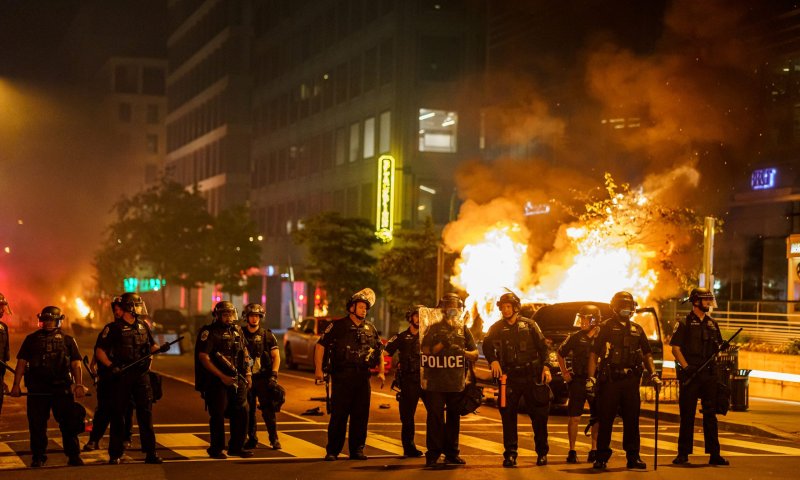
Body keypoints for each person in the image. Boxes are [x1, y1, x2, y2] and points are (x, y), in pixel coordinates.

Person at [586, 291, 661, 470]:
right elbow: (594, 354)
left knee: (632, 420)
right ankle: (601, 457)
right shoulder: (605, 327)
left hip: (630, 382)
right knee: (606, 419)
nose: (627, 310)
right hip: (610, 381)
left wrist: (654, 374)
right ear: (615, 307)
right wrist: (590, 378)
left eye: (629, 306)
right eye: (623, 306)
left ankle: (633, 457)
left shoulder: (637, 329)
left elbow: (647, 354)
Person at [10, 306, 86, 467]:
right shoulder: (31, 339)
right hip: (37, 390)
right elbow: (21, 363)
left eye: (51, 320)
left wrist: (79, 384)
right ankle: (38, 457)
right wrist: (15, 385)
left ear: (58, 320)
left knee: (68, 424)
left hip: (62, 389)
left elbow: (76, 364)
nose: (48, 323)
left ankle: (73, 455)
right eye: (45, 320)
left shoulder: (68, 340)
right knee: (37, 425)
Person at [95, 292, 166, 464]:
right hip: (121, 377)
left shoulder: (143, 326)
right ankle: (115, 454)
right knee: (119, 416)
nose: (139, 308)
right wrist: (111, 366)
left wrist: (158, 349)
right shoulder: (112, 328)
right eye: (136, 304)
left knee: (146, 416)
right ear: (128, 307)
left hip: (141, 377)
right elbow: (100, 351)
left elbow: (152, 345)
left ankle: (150, 453)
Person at [314, 288, 385, 461]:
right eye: (361, 307)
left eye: (366, 308)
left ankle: (357, 450)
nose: (364, 310)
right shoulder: (338, 326)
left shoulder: (370, 328)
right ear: (352, 308)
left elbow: (379, 349)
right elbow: (320, 345)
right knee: (339, 415)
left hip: (363, 377)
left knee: (361, 416)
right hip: (342, 376)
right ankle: (333, 451)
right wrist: (318, 370)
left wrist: (382, 371)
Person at [483, 292, 551, 467]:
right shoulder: (497, 327)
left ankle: (542, 453)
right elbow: (487, 345)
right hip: (509, 378)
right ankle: (510, 455)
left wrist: (546, 367)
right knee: (508, 417)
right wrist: (493, 360)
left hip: (531, 376)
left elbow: (544, 348)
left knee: (539, 416)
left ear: (515, 308)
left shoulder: (530, 325)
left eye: (508, 307)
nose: (505, 310)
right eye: (503, 307)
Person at [670, 287, 729, 466]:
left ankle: (714, 454)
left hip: (708, 375)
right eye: (706, 300)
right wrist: (686, 367)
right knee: (687, 415)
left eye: (709, 299)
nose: (709, 303)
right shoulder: (684, 323)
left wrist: (722, 347)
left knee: (710, 415)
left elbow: (717, 347)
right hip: (691, 374)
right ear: (696, 301)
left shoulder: (712, 324)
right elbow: (675, 348)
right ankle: (683, 454)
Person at [420, 293, 479, 467]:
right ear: (443, 310)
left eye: (456, 307)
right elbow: (426, 351)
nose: (453, 310)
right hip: (435, 382)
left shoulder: (463, 329)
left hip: (455, 381)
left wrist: (462, 353)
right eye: (450, 307)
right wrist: (442, 345)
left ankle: (452, 453)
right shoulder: (433, 327)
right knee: (435, 418)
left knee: (454, 418)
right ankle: (433, 455)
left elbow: (475, 354)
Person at [196, 301, 254, 459]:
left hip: (237, 378)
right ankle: (216, 449)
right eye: (225, 314)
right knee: (218, 414)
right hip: (216, 380)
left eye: (231, 314)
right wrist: (222, 377)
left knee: (242, 411)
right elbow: (203, 357)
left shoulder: (237, 331)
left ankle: (237, 447)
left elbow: (245, 353)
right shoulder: (209, 332)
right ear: (217, 315)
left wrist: (248, 374)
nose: (229, 318)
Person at [83, 296, 134, 452]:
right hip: (109, 375)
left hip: (127, 375)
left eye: (119, 309)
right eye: (115, 309)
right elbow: (100, 349)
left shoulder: (137, 328)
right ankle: (94, 439)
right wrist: (94, 365)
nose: (116, 312)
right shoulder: (110, 328)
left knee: (127, 409)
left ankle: (126, 438)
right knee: (104, 409)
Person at [557, 304, 601, 464]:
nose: (582, 322)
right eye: (581, 318)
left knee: (597, 417)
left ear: (594, 320)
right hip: (578, 381)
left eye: (586, 318)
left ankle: (594, 449)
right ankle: (572, 450)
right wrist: (565, 373)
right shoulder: (575, 337)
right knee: (574, 417)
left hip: (596, 382)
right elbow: (560, 353)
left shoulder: (602, 337)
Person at [384, 305, 425, 458]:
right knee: (407, 417)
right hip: (409, 380)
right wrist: (381, 370)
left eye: (422, 316)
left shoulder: (429, 336)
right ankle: (409, 448)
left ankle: (435, 448)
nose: (419, 319)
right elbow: (385, 352)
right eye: (416, 316)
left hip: (427, 380)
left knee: (436, 414)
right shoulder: (401, 337)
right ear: (410, 317)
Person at [241, 303, 282, 450]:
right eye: (251, 315)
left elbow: (276, 357)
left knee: (268, 410)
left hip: (264, 377)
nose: (254, 319)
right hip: (246, 379)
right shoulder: (240, 334)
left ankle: (274, 439)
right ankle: (252, 439)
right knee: (248, 411)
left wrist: (274, 375)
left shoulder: (267, 335)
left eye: (257, 316)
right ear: (246, 317)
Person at [0, 293, 12, 415]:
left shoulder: (3, 328)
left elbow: (4, 358)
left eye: (3, 306)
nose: (2, 310)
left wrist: (1, 381)